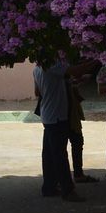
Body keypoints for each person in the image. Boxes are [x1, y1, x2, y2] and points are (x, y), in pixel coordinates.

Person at [33, 58, 98, 202]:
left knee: (49, 154)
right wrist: (96, 60)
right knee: (60, 155)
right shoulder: (51, 64)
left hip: (47, 114)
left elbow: (37, 92)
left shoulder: (37, 68)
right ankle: (67, 190)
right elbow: (76, 70)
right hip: (57, 115)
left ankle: (49, 187)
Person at [67, 77, 99, 184]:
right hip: (66, 113)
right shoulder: (56, 71)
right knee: (75, 143)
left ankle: (76, 174)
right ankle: (75, 175)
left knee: (76, 143)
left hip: (66, 114)